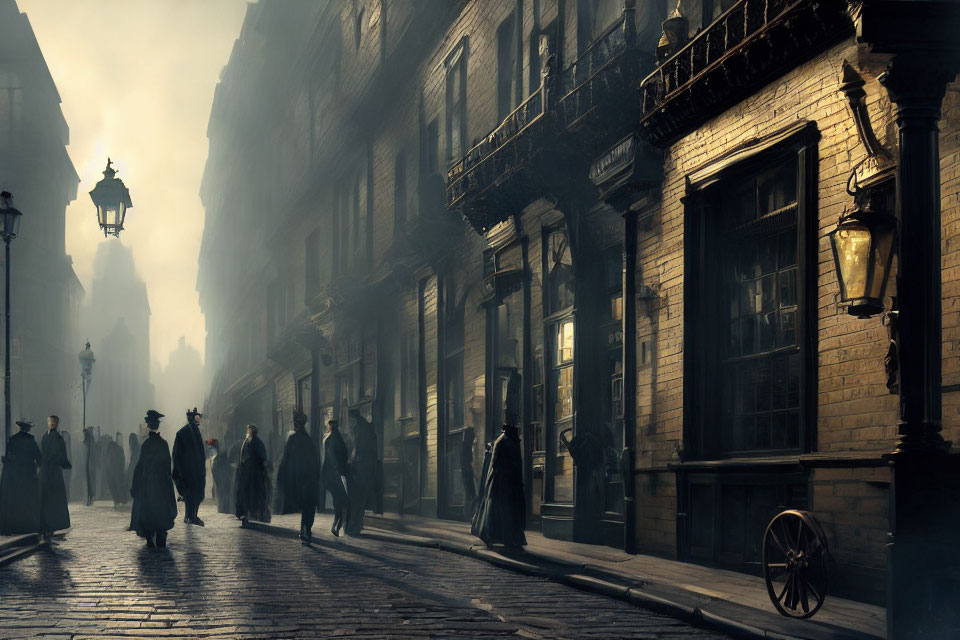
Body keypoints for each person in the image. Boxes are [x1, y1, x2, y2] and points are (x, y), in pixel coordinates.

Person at [474, 372, 526, 549]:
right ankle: (505, 537)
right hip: (504, 487)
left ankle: (506, 536)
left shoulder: (505, 442)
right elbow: (499, 468)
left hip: (505, 486)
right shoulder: (505, 443)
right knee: (505, 513)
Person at [130, 410, 177, 548]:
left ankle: (150, 537)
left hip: (148, 484)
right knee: (160, 509)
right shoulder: (163, 444)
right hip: (161, 483)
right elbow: (167, 465)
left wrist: (135, 485)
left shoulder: (146, 445)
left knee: (148, 509)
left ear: (148, 426)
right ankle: (161, 534)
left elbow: (140, 467)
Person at [276, 411, 320, 543]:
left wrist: (282, 476)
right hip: (308, 478)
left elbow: (286, 459)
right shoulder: (309, 440)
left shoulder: (293, 439)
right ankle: (306, 530)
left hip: (298, 479)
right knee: (308, 506)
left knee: (305, 505)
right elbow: (315, 461)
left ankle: (305, 531)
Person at [0, 420, 42, 535]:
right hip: (28, 473)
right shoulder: (30, 439)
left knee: (16, 499)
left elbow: (8, 456)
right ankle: (26, 525)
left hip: (16, 474)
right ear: (28, 428)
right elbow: (38, 456)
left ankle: (16, 524)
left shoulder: (13, 439)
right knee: (28, 499)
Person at [344, 410, 378, 537]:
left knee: (356, 500)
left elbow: (357, 449)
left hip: (360, 469)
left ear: (353, 419)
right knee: (359, 500)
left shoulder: (360, 430)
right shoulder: (366, 428)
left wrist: (351, 462)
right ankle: (355, 526)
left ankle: (353, 527)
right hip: (364, 468)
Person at [39, 415, 72, 542]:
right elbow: (61, 456)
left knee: (46, 500)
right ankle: (49, 530)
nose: (51, 424)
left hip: (45, 472)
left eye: (52, 422)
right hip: (53, 473)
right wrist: (66, 464)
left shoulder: (45, 437)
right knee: (53, 501)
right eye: (51, 422)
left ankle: (46, 530)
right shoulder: (57, 438)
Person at [172, 407, 206, 526]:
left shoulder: (194, 431)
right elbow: (177, 455)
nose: (200, 418)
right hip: (188, 471)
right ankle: (190, 517)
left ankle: (193, 516)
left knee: (195, 494)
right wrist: (178, 473)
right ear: (192, 418)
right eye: (198, 416)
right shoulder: (183, 432)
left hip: (195, 470)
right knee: (190, 495)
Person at [234, 424, 271, 525]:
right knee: (247, 494)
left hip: (253, 474)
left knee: (250, 494)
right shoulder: (250, 441)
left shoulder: (254, 442)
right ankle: (245, 513)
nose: (248, 432)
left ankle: (249, 513)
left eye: (249, 430)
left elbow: (261, 458)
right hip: (248, 473)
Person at [322, 418, 349, 537]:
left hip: (335, 474)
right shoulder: (335, 437)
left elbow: (333, 457)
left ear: (331, 426)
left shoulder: (333, 438)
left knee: (340, 502)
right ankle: (336, 527)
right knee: (340, 501)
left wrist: (337, 471)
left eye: (328, 425)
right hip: (335, 473)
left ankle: (337, 526)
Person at [207, 439, 233, 514]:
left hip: (222, 479)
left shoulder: (217, 457)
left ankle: (224, 509)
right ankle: (223, 508)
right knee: (222, 494)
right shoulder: (217, 457)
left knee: (222, 494)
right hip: (221, 479)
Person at [105, 434, 128, 509]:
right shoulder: (118, 448)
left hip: (113, 471)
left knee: (114, 487)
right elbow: (121, 461)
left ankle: (117, 502)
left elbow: (108, 461)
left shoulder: (112, 447)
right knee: (118, 486)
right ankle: (120, 502)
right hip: (116, 471)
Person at [460, 427, 477, 521]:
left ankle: (467, 514)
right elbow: (467, 462)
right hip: (467, 472)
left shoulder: (467, 445)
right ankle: (469, 515)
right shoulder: (466, 446)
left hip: (468, 472)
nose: (474, 436)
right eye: (472, 434)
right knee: (471, 494)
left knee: (469, 493)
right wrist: (471, 471)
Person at [82, 427, 97, 506]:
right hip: (89, 465)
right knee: (89, 482)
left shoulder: (87, 443)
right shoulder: (90, 442)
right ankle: (89, 499)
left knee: (88, 482)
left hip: (88, 465)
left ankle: (88, 499)